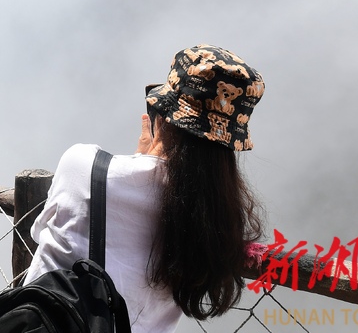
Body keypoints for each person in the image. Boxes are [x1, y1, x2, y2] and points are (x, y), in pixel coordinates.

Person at [24, 44, 265, 333]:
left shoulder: (82, 165)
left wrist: (141, 159)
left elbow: (39, 233)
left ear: (161, 114)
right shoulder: (216, 222)